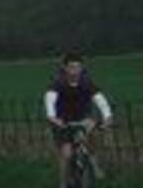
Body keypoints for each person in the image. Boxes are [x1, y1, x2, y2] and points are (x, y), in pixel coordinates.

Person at [46, 52, 114, 186]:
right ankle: (63, 183)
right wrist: (52, 117)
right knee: (66, 154)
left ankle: (94, 164)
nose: (75, 71)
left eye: (78, 67)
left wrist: (107, 116)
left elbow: (100, 99)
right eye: (71, 67)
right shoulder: (58, 83)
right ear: (65, 68)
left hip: (83, 118)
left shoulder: (86, 82)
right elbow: (50, 99)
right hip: (62, 121)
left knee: (91, 134)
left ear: (82, 68)